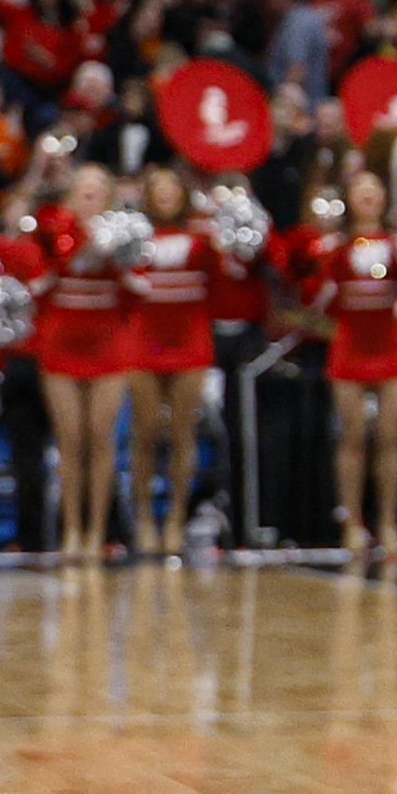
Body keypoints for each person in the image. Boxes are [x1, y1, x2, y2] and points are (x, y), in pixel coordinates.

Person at [305, 168, 397, 563]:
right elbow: (318, 297)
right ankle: (352, 523)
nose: (368, 195)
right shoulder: (336, 245)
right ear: (349, 198)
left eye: (375, 188)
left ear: (385, 196)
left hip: (391, 343)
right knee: (352, 436)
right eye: (360, 189)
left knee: (390, 435)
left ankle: (389, 521)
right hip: (351, 344)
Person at [117, 164, 230, 560]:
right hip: (143, 338)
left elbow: (221, 282)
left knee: (184, 433)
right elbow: (122, 284)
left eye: (172, 186)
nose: (165, 193)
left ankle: (176, 519)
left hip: (190, 337)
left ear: (183, 193)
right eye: (158, 186)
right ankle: (145, 518)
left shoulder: (203, 236)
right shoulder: (132, 233)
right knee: (145, 431)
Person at [31, 164, 137, 564]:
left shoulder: (124, 232)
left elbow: (137, 289)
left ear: (108, 196)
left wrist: (118, 259)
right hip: (61, 343)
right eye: (82, 189)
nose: (89, 196)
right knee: (69, 440)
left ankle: (97, 532)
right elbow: (37, 285)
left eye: (97, 189)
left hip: (107, 344)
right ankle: (71, 531)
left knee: (100, 438)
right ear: (70, 195)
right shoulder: (51, 231)